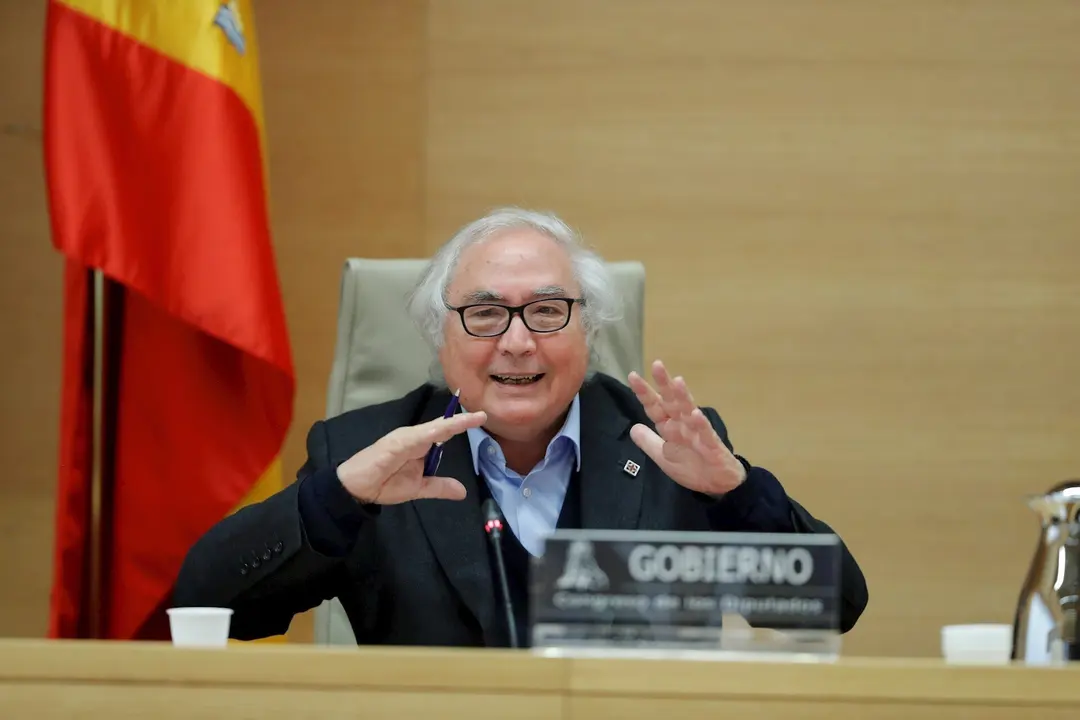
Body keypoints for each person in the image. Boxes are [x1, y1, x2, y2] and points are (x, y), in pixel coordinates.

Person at [174, 207, 868, 647]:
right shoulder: (370, 454)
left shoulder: (666, 450)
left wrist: (736, 495)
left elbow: (834, 606)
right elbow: (206, 604)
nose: (515, 342)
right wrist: (335, 500)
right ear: (439, 340)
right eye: (484, 315)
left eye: (547, 312)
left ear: (588, 332)